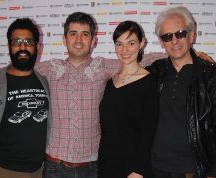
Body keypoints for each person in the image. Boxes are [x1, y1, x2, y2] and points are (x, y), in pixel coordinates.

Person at [36, 11, 120, 178]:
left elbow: (139, 62)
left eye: (85, 34)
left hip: (92, 167)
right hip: (54, 166)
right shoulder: (48, 69)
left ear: (94, 40)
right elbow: (17, 71)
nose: (79, 40)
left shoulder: (104, 67)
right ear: (64, 39)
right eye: (73, 34)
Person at [146, 6, 216, 178]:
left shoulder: (210, 75)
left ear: (191, 35)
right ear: (161, 42)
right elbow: (126, 70)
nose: (174, 41)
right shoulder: (154, 72)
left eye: (180, 33)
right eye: (167, 37)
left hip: (192, 170)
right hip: (154, 168)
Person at [0, 18, 51, 178]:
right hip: (2, 170)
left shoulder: (44, 81)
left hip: (38, 171)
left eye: (28, 42)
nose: (22, 47)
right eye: (17, 41)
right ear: (9, 46)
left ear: (37, 47)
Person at [98, 21, 159, 178]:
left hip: (135, 170)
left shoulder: (150, 83)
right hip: (107, 165)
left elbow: (149, 133)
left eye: (131, 43)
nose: (124, 50)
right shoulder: (110, 83)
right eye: (119, 44)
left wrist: (139, 170)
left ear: (142, 43)